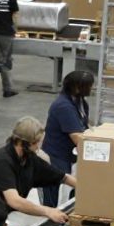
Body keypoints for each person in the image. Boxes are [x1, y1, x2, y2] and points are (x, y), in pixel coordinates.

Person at [0, 117, 76, 226]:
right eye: (36, 143)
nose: (38, 146)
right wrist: (48, 211)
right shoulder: (2, 161)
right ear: (22, 142)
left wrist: (89, 190)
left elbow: (62, 177)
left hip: (7, 215)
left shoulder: (28, 159)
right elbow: (14, 201)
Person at [40, 70, 94, 208]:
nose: (91, 88)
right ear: (76, 87)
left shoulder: (81, 102)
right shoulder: (64, 106)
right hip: (56, 155)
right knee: (53, 190)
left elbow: (84, 125)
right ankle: (48, 215)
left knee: (67, 187)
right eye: (88, 86)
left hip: (69, 154)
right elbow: (76, 136)